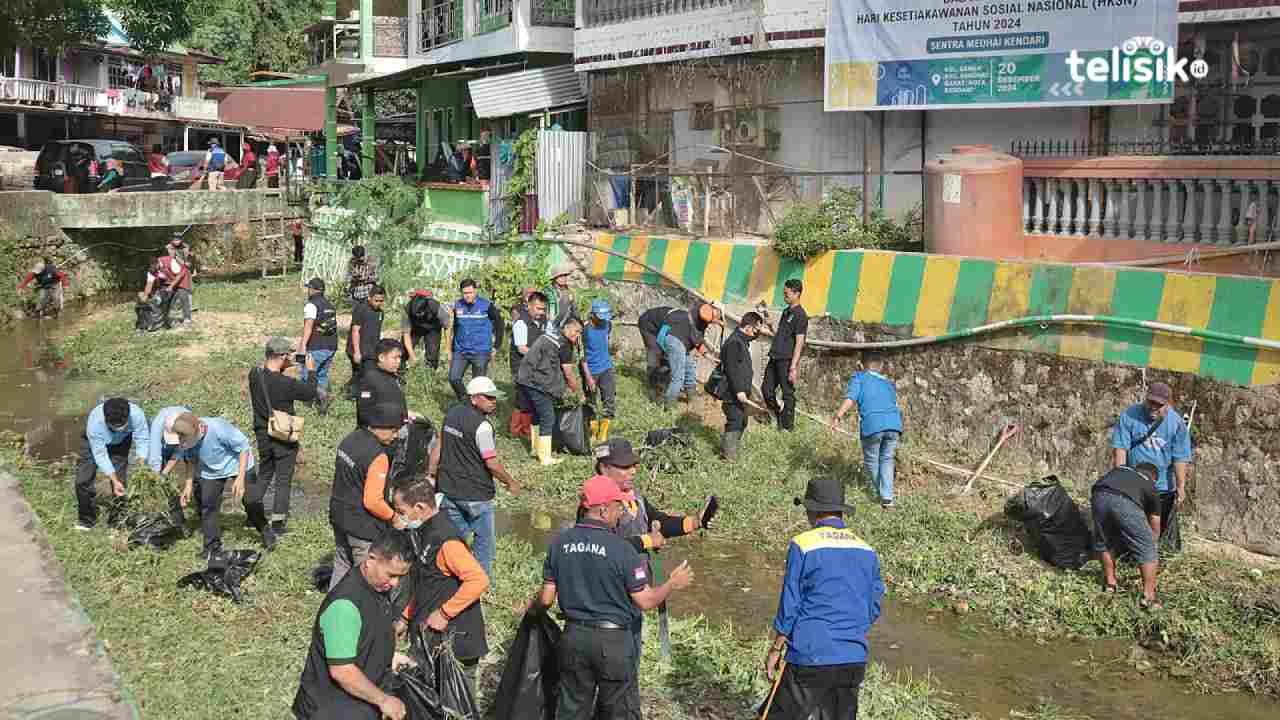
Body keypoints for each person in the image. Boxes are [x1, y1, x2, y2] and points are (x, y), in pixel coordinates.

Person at [532, 475, 694, 720]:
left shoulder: (560, 543)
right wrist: (672, 583)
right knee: (619, 711)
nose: (621, 513)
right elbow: (646, 601)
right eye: (618, 506)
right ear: (603, 508)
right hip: (613, 643)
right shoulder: (622, 549)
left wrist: (529, 610)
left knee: (571, 710)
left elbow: (545, 600)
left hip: (573, 639)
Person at [765, 477, 884, 720]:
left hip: (810, 654)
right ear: (841, 511)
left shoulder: (803, 544)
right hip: (853, 658)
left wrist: (776, 648)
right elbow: (873, 607)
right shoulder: (867, 550)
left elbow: (790, 604)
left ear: (812, 510)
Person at [592, 438, 717, 666]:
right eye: (624, 467)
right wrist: (648, 540)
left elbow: (660, 521)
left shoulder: (634, 498)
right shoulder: (595, 506)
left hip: (632, 588)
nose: (632, 471)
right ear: (604, 468)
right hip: (608, 594)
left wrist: (695, 522)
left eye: (634, 465)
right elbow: (602, 548)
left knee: (630, 650)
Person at [292, 531, 413, 720]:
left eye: (400, 577)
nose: (395, 583)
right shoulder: (344, 606)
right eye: (391, 575)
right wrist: (383, 700)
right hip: (333, 709)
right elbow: (343, 671)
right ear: (371, 559)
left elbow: (366, 634)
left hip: (357, 705)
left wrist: (389, 657)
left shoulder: (376, 588)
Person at [391, 479, 489, 699]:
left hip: (457, 640)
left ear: (420, 508)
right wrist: (406, 617)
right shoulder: (423, 533)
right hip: (432, 638)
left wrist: (445, 613)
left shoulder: (446, 540)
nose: (399, 517)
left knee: (456, 704)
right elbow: (425, 583)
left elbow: (478, 580)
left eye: (401, 511)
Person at [429, 377, 520, 577]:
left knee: (455, 540)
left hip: (448, 489)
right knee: (484, 542)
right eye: (488, 398)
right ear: (474, 398)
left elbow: (439, 447)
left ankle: (451, 575)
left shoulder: (451, 414)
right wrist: (511, 482)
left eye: (495, 397)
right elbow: (492, 464)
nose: (493, 401)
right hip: (475, 494)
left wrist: (431, 474)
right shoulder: (483, 427)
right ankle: (480, 581)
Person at [170, 412, 271, 555]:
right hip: (211, 471)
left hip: (239, 465)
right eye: (179, 437)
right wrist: (188, 485)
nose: (181, 441)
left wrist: (240, 479)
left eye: (183, 438)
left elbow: (243, 448)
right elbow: (191, 460)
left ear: (199, 430)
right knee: (208, 507)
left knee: (251, 501)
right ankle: (212, 547)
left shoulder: (218, 428)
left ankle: (265, 531)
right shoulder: (186, 439)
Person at [329, 403, 404, 589]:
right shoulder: (377, 455)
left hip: (339, 516)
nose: (395, 436)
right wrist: (394, 518)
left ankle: (331, 606)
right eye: (393, 430)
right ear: (378, 426)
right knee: (367, 580)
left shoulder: (350, 439)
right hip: (361, 527)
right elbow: (372, 501)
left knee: (342, 565)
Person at [1110, 382, 1191, 553]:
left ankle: (1154, 557)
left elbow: (1180, 457)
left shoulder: (1177, 424)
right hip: (1134, 485)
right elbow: (1120, 449)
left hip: (1162, 488)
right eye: (1150, 402)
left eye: (1159, 405)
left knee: (1158, 530)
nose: (1153, 408)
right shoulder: (1129, 416)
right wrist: (1121, 481)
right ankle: (1131, 555)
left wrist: (1181, 485)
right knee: (1130, 526)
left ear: (1169, 405)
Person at [251, 338, 321, 535]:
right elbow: (309, 393)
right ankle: (278, 524)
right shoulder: (286, 383)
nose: (291, 357)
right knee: (283, 479)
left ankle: (252, 514)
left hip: (263, 433)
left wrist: (283, 365)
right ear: (281, 356)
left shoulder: (254, 374)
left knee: (265, 473)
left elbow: (268, 374)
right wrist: (311, 371)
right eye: (288, 355)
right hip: (283, 435)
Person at [831, 352, 904, 509]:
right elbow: (895, 404)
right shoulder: (888, 383)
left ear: (861, 365)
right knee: (887, 459)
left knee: (872, 461)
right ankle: (888, 498)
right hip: (894, 425)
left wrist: (837, 417)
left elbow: (850, 398)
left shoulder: (859, 377)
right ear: (881, 367)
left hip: (873, 425)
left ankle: (883, 495)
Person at [1091, 463, 1164, 608]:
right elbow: (1155, 523)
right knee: (1147, 547)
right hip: (1124, 501)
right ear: (1154, 478)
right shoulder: (1151, 485)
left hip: (1098, 494)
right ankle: (1149, 597)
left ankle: (1110, 584)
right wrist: (1153, 544)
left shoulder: (1121, 469)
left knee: (1104, 542)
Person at [516, 316, 584, 466]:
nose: (577, 335)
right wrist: (578, 394)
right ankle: (545, 457)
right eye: (576, 331)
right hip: (539, 383)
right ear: (566, 327)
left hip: (525, 378)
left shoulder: (550, 334)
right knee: (548, 417)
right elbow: (569, 373)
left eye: (580, 333)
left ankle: (536, 448)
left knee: (536, 414)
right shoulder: (564, 345)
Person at [73, 398, 149, 529]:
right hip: (92, 444)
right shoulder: (95, 424)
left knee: (120, 483)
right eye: (115, 427)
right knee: (83, 480)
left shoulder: (136, 415)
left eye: (123, 426)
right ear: (106, 420)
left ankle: (116, 522)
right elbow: (100, 455)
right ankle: (87, 520)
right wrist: (112, 479)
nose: (119, 429)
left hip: (121, 443)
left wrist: (141, 464)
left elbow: (142, 438)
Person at [644, 301, 721, 405]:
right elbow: (706, 314)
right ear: (715, 310)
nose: (717, 322)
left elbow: (698, 341)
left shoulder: (700, 321)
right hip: (675, 341)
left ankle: (692, 397)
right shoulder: (705, 310)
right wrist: (715, 316)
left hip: (677, 340)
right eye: (718, 318)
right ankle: (667, 405)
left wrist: (708, 356)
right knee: (678, 377)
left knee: (689, 367)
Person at [762, 279, 808, 431]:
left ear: (797, 293)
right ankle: (779, 414)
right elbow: (779, 335)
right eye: (784, 293)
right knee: (767, 390)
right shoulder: (786, 312)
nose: (784, 296)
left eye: (787, 294)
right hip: (774, 356)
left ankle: (788, 427)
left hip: (786, 360)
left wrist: (793, 367)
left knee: (787, 394)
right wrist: (770, 324)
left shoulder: (801, 315)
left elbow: (800, 342)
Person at [448, 279, 504, 401]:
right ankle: (466, 401)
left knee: (478, 385)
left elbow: (500, 324)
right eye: (465, 293)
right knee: (453, 378)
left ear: (475, 291)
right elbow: (456, 327)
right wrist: (451, 350)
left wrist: (496, 346)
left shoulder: (486, 305)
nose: (468, 295)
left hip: (481, 351)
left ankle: (478, 410)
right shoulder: (457, 306)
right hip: (461, 351)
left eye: (470, 292)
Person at [718, 311, 761, 461]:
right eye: (755, 330)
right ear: (748, 327)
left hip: (741, 393)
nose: (756, 334)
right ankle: (728, 457)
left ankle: (729, 450)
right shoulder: (734, 342)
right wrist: (739, 391)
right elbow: (732, 369)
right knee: (735, 421)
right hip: (733, 393)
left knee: (742, 421)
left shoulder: (741, 341)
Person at [508, 291, 548, 441]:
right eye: (538, 308)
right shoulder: (521, 323)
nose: (541, 312)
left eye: (543, 309)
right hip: (521, 364)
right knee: (523, 396)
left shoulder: (544, 320)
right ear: (528, 305)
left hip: (535, 364)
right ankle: (517, 429)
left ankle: (524, 429)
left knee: (532, 396)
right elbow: (521, 348)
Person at [581, 299, 616, 444]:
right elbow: (581, 357)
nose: (603, 320)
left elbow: (607, 340)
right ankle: (593, 433)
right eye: (601, 317)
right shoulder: (585, 330)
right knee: (591, 402)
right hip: (592, 370)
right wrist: (588, 377)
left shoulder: (608, 324)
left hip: (607, 368)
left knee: (609, 400)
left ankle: (603, 434)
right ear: (593, 315)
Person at [299, 278, 340, 398]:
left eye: (308, 288)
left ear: (312, 290)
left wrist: (302, 346)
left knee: (307, 376)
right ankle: (320, 403)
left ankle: (323, 397)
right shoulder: (330, 305)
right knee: (322, 375)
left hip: (317, 346)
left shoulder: (311, 305)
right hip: (331, 346)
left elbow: (308, 327)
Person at [355, 339, 408, 429]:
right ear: (381, 358)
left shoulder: (392, 377)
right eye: (395, 358)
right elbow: (365, 412)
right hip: (379, 432)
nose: (399, 361)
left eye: (400, 357)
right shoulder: (369, 379)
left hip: (395, 427)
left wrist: (406, 418)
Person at [345, 284, 386, 401]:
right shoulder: (361, 309)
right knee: (359, 373)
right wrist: (357, 352)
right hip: (357, 349)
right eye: (376, 300)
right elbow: (355, 330)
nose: (378, 303)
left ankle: (359, 395)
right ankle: (352, 395)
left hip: (371, 350)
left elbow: (377, 332)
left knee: (367, 374)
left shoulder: (380, 313)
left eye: (381, 301)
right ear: (369, 297)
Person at [400, 289, 451, 372]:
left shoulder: (435, 306)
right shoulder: (407, 310)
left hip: (433, 328)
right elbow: (406, 335)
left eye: (420, 314)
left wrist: (448, 349)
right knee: (403, 351)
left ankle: (430, 374)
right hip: (415, 328)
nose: (418, 316)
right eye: (416, 314)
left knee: (433, 354)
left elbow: (447, 326)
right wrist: (412, 356)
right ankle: (400, 373)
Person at [147, 404, 191, 475]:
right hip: (162, 419)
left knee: (186, 453)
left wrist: (164, 473)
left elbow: (178, 452)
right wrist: (155, 475)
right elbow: (154, 454)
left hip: (184, 416)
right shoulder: (156, 428)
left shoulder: (189, 429)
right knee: (153, 456)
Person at [544, 263, 577, 339]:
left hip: (564, 326)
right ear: (555, 278)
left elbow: (574, 310)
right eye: (561, 276)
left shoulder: (569, 292)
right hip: (549, 326)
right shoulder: (548, 291)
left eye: (565, 275)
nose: (564, 278)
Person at [164, 245, 194, 325]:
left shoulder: (180, 259)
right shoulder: (165, 259)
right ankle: (169, 318)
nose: (171, 251)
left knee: (184, 298)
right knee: (170, 300)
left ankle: (187, 318)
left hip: (182, 281)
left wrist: (171, 286)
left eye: (173, 249)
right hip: (173, 280)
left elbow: (181, 273)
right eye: (169, 250)